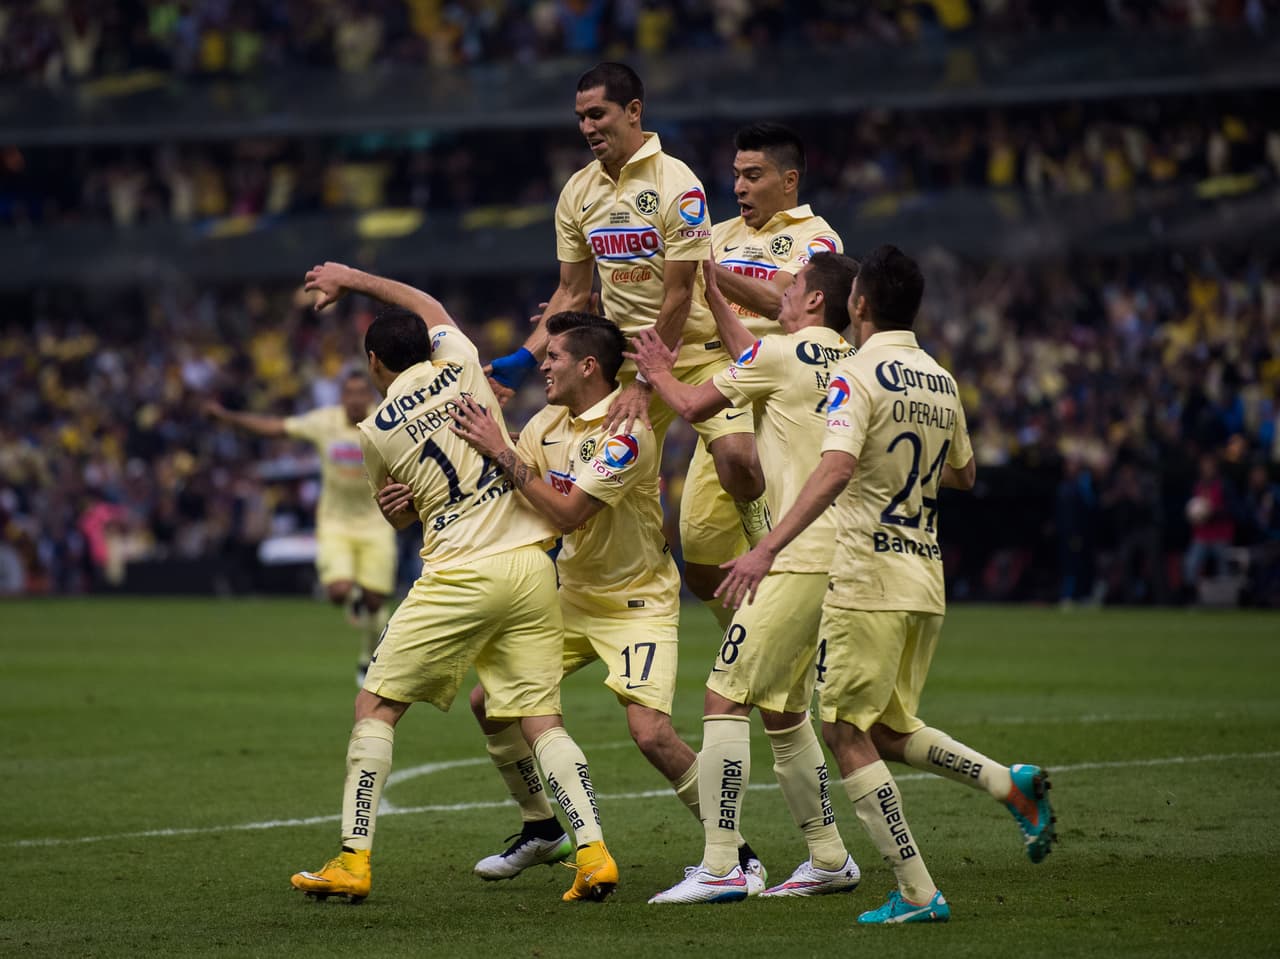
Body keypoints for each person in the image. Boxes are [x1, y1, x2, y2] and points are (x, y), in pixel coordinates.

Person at [717, 245, 1057, 924]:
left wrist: (769, 547)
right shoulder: (939, 378)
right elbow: (962, 474)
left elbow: (837, 467)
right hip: (922, 575)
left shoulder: (854, 372)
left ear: (860, 304)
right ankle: (1006, 782)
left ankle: (917, 889)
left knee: (843, 727)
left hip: (865, 571)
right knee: (890, 729)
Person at [289, 307, 617, 904]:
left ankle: (352, 859)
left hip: (459, 573)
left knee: (375, 705)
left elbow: (401, 508)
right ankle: (591, 852)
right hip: (528, 567)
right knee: (539, 718)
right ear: (429, 344)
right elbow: (432, 308)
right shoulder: (463, 362)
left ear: (373, 363)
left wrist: (399, 510)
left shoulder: (374, 431)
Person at [449, 311, 763, 892]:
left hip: (637, 601)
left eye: (554, 357)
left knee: (651, 733)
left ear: (588, 366)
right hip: (571, 595)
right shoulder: (544, 424)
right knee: (489, 704)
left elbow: (567, 511)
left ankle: (736, 852)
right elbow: (506, 486)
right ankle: (542, 827)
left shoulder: (628, 429)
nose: (542, 364)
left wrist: (501, 450)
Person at [626, 252, 862, 904]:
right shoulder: (851, 364)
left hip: (795, 556)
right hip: (853, 558)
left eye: (792, 289)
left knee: (723, 695)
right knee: (785, 712)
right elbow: (753, 350)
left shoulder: (782, 355)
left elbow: (694, 401)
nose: (781, 295)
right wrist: (712, 291)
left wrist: (656, 372)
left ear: (813, 302)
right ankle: (828, 855)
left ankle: (724, 863)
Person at [484, 61, 769, 570]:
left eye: (598, 114)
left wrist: (647, 381)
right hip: (624, 362)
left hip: (695, 355)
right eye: (580, 117)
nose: (587, 127)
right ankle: (614, 576)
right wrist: (525, 360)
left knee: (740, 461)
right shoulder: (577, 192)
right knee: (582, 475)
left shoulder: (677, 184)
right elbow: (572, 291)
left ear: (634, 111)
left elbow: (680, 294)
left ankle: (766, 545)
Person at [683, 122, 847, 627]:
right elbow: (678, 297)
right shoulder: (718, 235)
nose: (738, 187)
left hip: (783, 396)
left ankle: (786, 631)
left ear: (789, 180)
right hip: (720, 377)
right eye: (735, 175)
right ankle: (742, 633)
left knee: (745, 466)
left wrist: (705, 270)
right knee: (697, 551)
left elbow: (784, 303)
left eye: (753, 175)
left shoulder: (817, 238)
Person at [205, 371, 395, 684]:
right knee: (338, 592)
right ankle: (356, 604)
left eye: (362, 392)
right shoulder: (325, 422)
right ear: (341, 396)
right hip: (335, 523)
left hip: (377, 523)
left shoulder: (385, 423)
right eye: (349, 393)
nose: (355, 399)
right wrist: (228, 418)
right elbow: (276, 428)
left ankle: (366, 657)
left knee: (376, 601)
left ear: (370, 395)